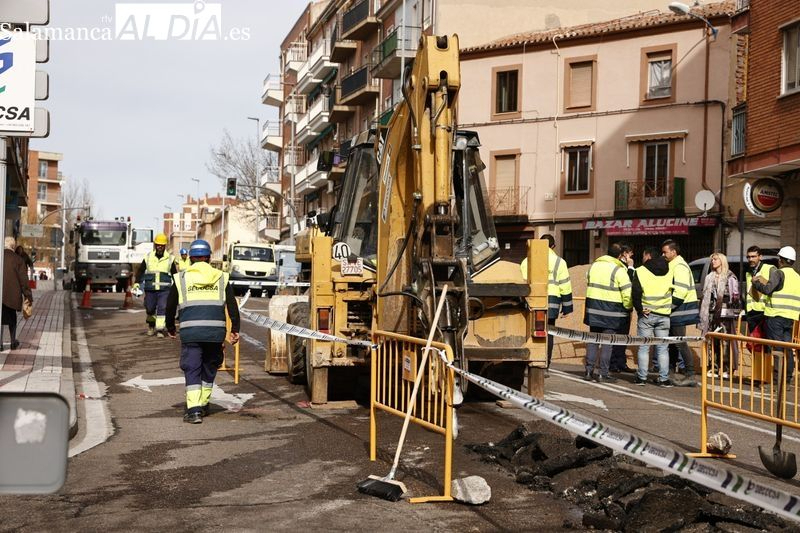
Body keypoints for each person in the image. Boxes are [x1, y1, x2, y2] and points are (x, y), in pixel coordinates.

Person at [165, 239, 240, 424]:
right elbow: (232, 305)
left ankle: (194, 410)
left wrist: (170, 327)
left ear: (191, 258)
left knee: (192, 368)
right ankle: (204, 402)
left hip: (190, 332)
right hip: (215, 333)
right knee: (210, 366)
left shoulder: (181, 278)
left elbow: (170, 306)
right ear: (209, 258)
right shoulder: (222, 277)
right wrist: (235, 329)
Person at [521, 234, 573, 374]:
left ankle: (529, 362)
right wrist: (567, 307)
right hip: (552, 302)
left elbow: (522, 281)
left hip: (531, 300)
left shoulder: (528, 260)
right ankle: (545, 365)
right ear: (553, 246)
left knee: (531, 332)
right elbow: (565, 285)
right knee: (548, 333)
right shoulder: (559, 262)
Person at [583, 242, 633, 383]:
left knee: (592, 341)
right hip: (612, 312)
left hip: (593, 310)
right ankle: (603, 373)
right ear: (619, 255)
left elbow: (588, 281)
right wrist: (628, 307)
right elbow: (627, 292)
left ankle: (588, 371)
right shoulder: (619, 269)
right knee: (607, 343)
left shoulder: (593, 266)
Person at [751, 246, 800, 387]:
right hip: (790, 317)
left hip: (775, 316)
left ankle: (777, 381)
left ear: (781, 260)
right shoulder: (797, 277)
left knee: (777, 349)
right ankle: (787, 380)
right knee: (787, 349)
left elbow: (767, 289)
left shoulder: (779, 273)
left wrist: (756, 282)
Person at [632, 246, 673, 386]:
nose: (642, 258)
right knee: (662, 348)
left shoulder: (640, 271)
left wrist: (639, 309)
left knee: (644, 347)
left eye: (643, 255)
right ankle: (664, 379)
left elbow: (635, 294)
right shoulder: (669, 269)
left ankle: (642, 378)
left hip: (647, 314)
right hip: (664, 315)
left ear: (648, 256)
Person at [662, 239, 699, 381]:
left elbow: (680, 291)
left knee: (679, 341)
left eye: (665, 252)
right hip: (676, 310)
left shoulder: (679, 266)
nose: (663, 254)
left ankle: (689, 372)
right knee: (672, 341)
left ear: (673, 252)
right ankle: (670, 371)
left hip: (679, 310)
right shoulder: (673, 264)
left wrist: (669, 307)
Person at [698, 252, 740, 378]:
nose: (713, 262)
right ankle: (713, 367)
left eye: (715, 259)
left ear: (722, 261)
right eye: (712, 260)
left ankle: (727, 368)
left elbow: (735, 296)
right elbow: (705, 296)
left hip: (725, 313)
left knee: (726, 341)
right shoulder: (709, 276)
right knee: (712, 340)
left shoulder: (730, 276)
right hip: (711, 313)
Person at [134, 233, 177, 337]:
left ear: (165, 246)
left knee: (162, 308)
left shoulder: (170, 259)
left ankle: (160, 330)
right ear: (155, 245)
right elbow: (140, 271)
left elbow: (175, 274)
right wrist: (136, 283)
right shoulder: (148, 257)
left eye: (162, 245)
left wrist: (177, 287)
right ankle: (151, 325)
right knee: (150, 309)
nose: (160, 247)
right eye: (158, 245)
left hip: (164, 289)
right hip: (150, 289)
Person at [3, 237, 33, 350]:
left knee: (0, 318)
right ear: (13, 246)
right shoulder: (18, 260)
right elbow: (24, 281)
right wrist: (28, 296)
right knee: (12, 319)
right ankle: (12, 341)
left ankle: (0, 344)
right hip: (12, 296)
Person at [610, 244, 636, 373]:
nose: (631, 256)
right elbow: (629, 282)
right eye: (630, 253)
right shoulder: (620, 266)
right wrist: (630, 266)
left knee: (622, 336)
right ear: (624, 253)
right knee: (618, 335)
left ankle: (621, 362)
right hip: (620, 305)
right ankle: (614, 363)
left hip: (624, 306)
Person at [745, 245, 775, 334]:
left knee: (766, 343)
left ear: (760, 257)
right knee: (755, 344)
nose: (750, 259)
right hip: (751, 313)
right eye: (748, 257)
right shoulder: (748, 272)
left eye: (753, 256)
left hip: (765, 311)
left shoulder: (769, 269)